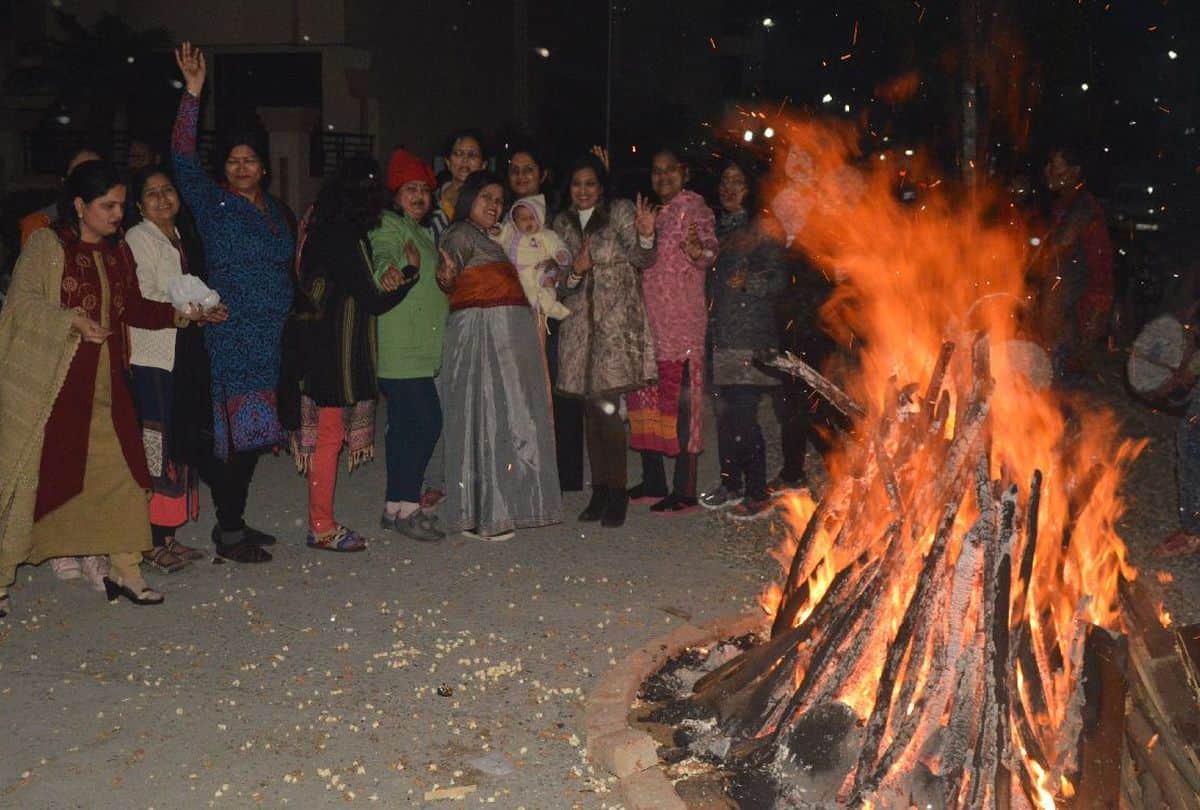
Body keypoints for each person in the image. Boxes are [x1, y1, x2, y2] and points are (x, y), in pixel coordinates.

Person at [0, 161, 223, 616]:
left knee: (125, 475)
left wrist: (184, 316)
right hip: (57, 387)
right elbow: (22, 302)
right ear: (80, 206)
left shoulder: (118, 252)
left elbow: (136, 308)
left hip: (112, 383)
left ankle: (126, 569)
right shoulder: (47, 245)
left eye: (121, 205)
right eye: (108, 205)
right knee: (31, 483)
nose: (118, 214)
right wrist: (71, 320)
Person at [172, 42, 295, 563]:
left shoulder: (278, 210)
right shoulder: (213, 204)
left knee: (254, 435)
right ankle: (227, 532)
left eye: (250, 160)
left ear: (263, 168)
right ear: (224, 170)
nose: (242, 167)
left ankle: (236, 519)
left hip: (270, 338)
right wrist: (193, 93)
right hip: (232, 334)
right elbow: (181, 156)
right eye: (233, 160)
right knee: (233, 436)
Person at [281, 157, 415, 552]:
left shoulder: (322, 227)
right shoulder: (342, 235)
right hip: (330, 351)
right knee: (329, 436)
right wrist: (410, 273)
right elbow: (372, 299)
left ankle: (321, 520)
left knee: (329, 435)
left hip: (319, 344)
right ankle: (321, 525)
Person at [436, 171, 562, 540]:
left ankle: (503, 506)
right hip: (480, 342)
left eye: (498, 200)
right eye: (485, 197)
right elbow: (447, 275)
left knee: (504, 422)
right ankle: (483, 516)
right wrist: (444, 276)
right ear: (469, 199)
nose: (493, 205)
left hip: (501, 344)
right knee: (484, 421)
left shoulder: (491, 238)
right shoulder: (460, 233)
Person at [552, 153, 659, 527]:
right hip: (580, 330)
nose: (583, 191)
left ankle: (617, 492)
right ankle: (598, 490)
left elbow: (645, 260)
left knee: (609, 413)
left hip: (615, 327)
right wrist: (576, 273)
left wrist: (645, 233)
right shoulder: (561, 224)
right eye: (577, 184)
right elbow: (557, 283)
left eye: (591, 183)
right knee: (591, 413)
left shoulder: (621, 212)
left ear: (602, 186)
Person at [124, 166, 207, 572]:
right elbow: (143, 294)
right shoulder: (139, 238)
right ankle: (152, 540)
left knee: (177, 439)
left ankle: (170, 535)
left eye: (167, 189)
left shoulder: (181, 236)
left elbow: (191, 288)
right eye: (150, 193)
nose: (161, 198)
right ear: (139, 205)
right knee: (156, 444)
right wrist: (187, 310)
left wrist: (206, 308)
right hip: (153, 353)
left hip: (182, 349)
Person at [626, 147, 717, 513]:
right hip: (650, 327)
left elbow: (709, 249)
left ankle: (685, 490)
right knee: (646, 402)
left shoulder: (695, 209)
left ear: (684, 172)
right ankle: (653, 480)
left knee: (681, 406)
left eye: (670, 171)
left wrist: (698, 252)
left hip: (682, 329)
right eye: (656, 171)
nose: (662, 177)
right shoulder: (654, 214)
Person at [699, 160, 787, 519]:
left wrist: (749, 282)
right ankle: (730, 484)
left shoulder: (764, 227)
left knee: (745, 418)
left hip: (749, 338)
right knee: (724, 417)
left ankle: (756, 491)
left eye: (738, 181)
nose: (730, 188)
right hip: (718, 337)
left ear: (750, 188)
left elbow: (780, 279)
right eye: (724, 181)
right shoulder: (713, 229)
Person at [369, 149, 449, 543]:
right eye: (409, 189)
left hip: (418, 344)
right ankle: (408, 506)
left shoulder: (418, 230)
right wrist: (389, 272)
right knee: (426, 422)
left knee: (403, 427)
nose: (418, 196)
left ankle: (395, 506)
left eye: (423, 189)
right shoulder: (389, 224)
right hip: (402, 346)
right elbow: (382, 254)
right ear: (394, 194)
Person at [506, 142, 585, 493]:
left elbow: (572, 265)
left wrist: (555, 275)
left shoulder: (559, 222)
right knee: (519, 395)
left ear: (542, 175)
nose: (522, 175)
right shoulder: (505, 218)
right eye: (516, 169)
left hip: (553, 318)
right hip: (514, 317)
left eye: (529, 169)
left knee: (557, 393)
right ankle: (522, 470)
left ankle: (562, 474)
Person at [1032, 147, 1114, 382]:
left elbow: (1059, 244)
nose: (1047, 171)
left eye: (1055, 165)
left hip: (1085, 304)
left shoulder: (1084, 207)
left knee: (1065, 378)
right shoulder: (1063, 206)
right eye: (1048, 164)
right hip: (1067, 301)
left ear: (1074, 171)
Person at [496, 195, 571, 337]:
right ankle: (545, 307)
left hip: (536, 270)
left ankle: (548, 304)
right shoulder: (509, 231)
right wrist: (495, 232)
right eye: (523, 218)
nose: (528, 221)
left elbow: (557, 245)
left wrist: (562, 254)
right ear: (514, 221)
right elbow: (498, 235)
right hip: (515, 274)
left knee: (544, 283)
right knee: (521, 297)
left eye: (532, 217)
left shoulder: (545, 235)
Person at [19, 146, 102, 247]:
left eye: (96, 175)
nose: (89, 182)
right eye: (80, 175)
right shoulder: (38, 225)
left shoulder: (114, 222)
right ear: (65, 182)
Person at [431, 129, 486, 241]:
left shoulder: (488, 203)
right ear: (448, 162)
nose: (465, 160)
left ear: (483, 165)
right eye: (458, 154)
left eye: (472, 155)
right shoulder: (430, 201)